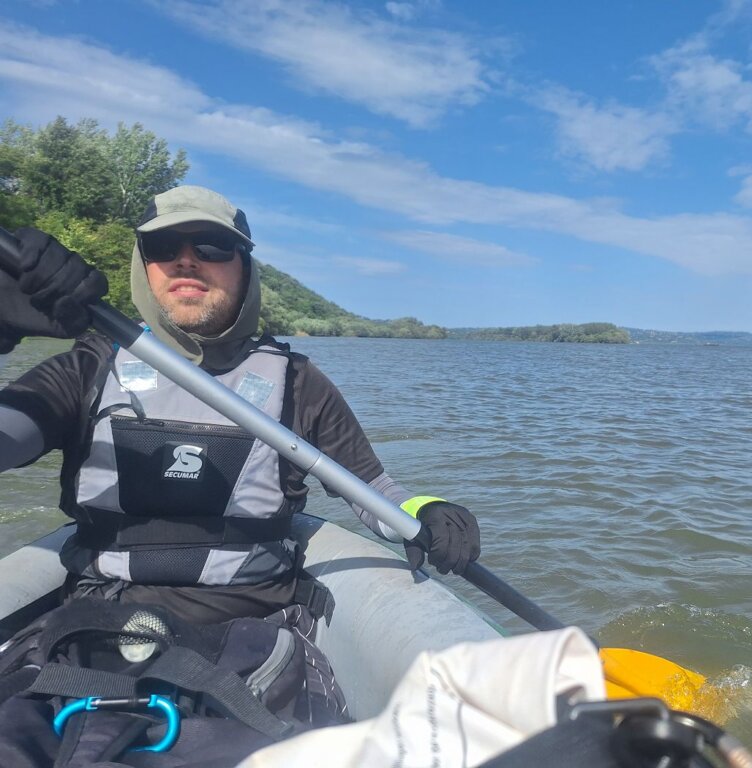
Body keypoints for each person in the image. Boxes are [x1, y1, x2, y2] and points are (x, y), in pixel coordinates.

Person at [0, 185, 481, 624]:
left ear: (245, 266)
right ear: (144, 265)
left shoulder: (298, 382)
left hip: (254, 629)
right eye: (164, 248)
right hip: (97, 617)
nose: (186, 261)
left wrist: (428, 509)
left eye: (211, 247)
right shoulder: (88, 366)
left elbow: (372, 488)